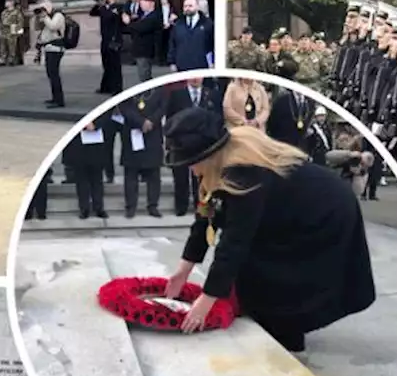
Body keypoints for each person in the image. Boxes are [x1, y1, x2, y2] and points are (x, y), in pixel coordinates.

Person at [160, 107, 377, 352]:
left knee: (274, 272)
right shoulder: (221, 158)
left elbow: (234, 243)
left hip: (322, 215)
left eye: (191, 162)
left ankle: (285, 334)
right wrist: (183, 270)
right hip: (293, 211)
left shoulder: (244, 172)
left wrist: (206, 300)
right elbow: (205, 218)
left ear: (209, 154)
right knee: (253, 267)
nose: (190, 169)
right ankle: (278, 324)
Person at [163, 78, 217, 215]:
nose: (195, 79)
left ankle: (199, 205)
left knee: (199, 178)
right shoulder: (177, 94)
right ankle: (181, 206)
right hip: (180, 143)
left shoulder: (210, 94)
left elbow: (215, 118)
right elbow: (170, 118)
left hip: (202, 144)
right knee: (180, 177)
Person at [116, 87, 164, 218]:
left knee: (154, 174)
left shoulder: (159, 89)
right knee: (131, 174)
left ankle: (153, 205)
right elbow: (124, 107)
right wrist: (141, 122)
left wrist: (151, 121)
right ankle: (131, 206)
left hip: (153, 133)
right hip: (133, 132)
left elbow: (163, 107)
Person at [60, 117, 110, 219]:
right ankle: (84, 208)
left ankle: (99, 207)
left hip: (96, 142)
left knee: (97, 178)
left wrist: (96, 124)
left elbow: (107, 114)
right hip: (79, 143)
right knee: (81, 179)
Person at [91, 0, 124, 95]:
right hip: (105, 39)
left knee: (115, 65)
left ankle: (117, 88)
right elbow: (92, 13)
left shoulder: (118, 7)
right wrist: (98, 3)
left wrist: (108, 7)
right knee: (106, 64)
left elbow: (110, 17)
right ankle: (106, 86)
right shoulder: (104, 8)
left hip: (114, 39)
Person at [123, 0, 161, 83]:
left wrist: (129, 23)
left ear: (151, 4)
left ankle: (149, 94)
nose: (141, 5)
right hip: (139, 50)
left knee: (145, 75)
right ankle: (148, 94)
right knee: (142, 74)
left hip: (145, 50)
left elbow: (141, 28)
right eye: (141, 3)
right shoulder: (143, 15)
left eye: (144, 2)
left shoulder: (154, 16)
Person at [167, 0, 213, 72]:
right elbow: (172, 43)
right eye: (185, 6)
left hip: (202, 65)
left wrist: (213, 62)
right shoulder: (178, 24)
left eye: (190, 6)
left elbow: (212, 43)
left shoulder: (207, 24)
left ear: (197, 7)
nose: (187, 8)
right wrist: (172, 62)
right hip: (182, 65)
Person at [35, 0, 67, 108]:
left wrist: (45, 17)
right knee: (51, 74)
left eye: (44, 9)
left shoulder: (58, 15)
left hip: (56, 49)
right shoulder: (46, 18)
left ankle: (59, 100)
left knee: (54, 75)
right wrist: (38, 18)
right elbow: (37, 28)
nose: (42, 11)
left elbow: (53, 27)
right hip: (49, 49)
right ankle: (55, 98)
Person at [0, 0, 25, 66]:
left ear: (12, 3)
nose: (6, 3)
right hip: (3, 31)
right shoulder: (3, 12)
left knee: (12, 46)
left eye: (7, 2)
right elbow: (1, 22)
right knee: (2, 47)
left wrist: (17, 31)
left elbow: (20, 22)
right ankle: (2, 60)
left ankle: (11, 60)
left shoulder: (16, 12)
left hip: (12, 30)